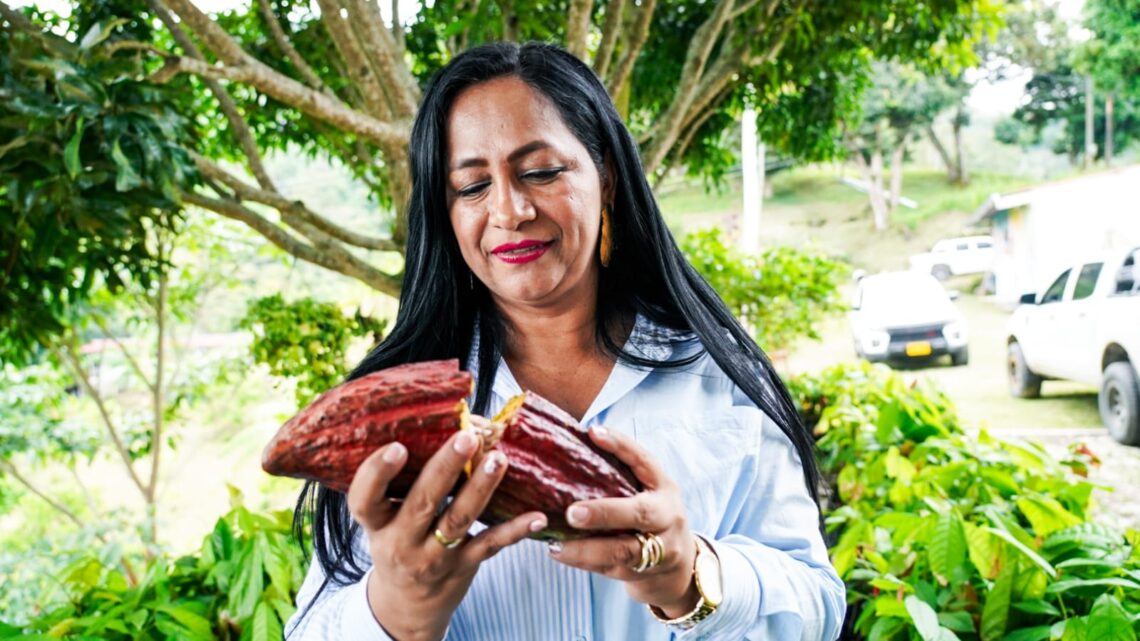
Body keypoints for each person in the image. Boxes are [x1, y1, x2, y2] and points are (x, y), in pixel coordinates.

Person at [284, 41, 844, 641]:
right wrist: (396, 610)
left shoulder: (718, 377)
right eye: (471, 187)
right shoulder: (396, 418)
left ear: (604, 177)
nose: (509, 209)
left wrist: (691, 575)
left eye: (542, 172)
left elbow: (817, 606)